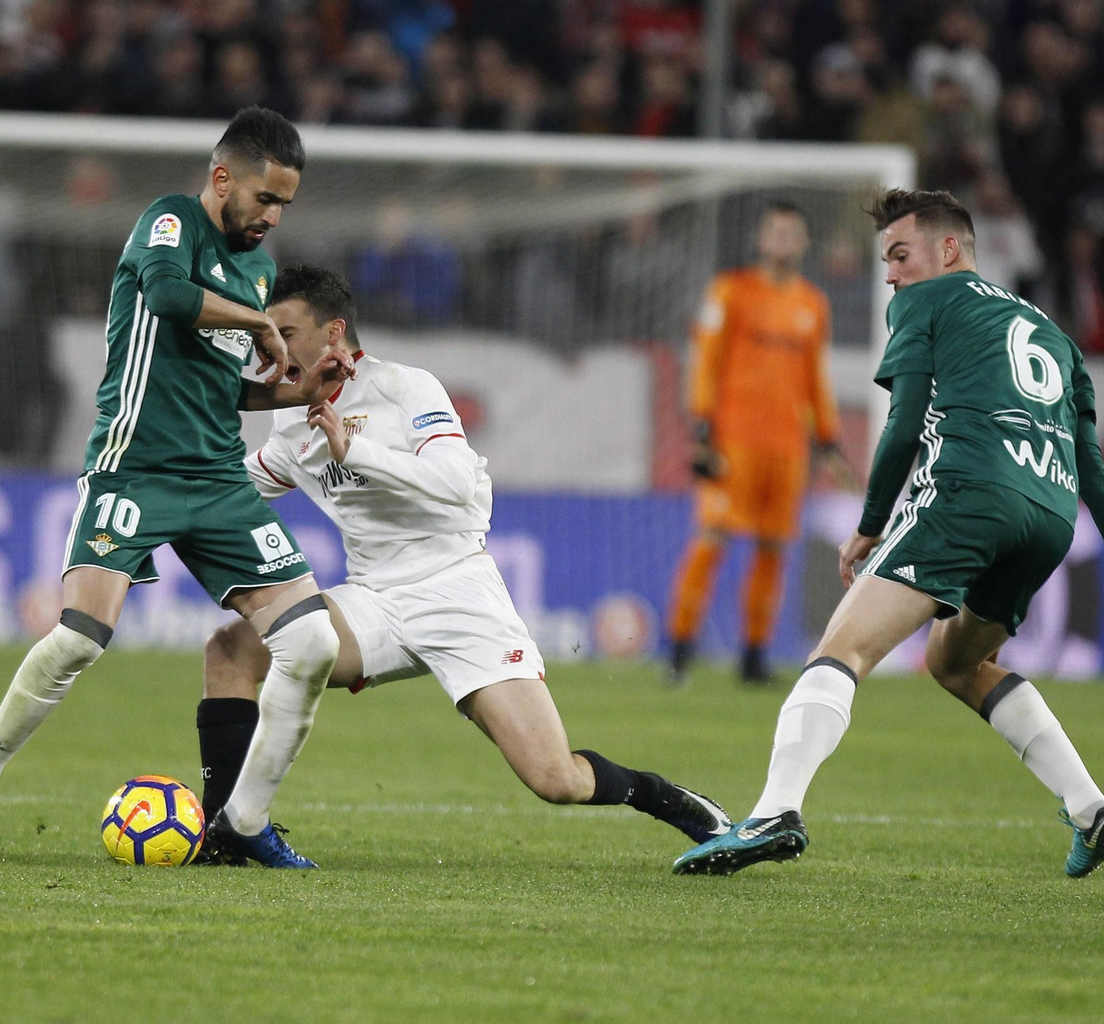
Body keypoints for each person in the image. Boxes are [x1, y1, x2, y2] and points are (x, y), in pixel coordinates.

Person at [673, 189, 1104, 878]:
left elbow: (903, 418)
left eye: (900, 255)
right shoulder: (1056, 338)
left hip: (967, 497)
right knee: (956, 663)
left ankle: (775, 811)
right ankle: (1093, 810)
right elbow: (1093, 472)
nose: (890, 274)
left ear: (948, 250)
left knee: (842, 650)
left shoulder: (926, 301)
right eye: (885, 260)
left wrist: (869, 525)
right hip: (1048, 515)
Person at [0, 107, 356, 870]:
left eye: (286, 203)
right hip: (134, 470)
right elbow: (167, 295)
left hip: (217, 480)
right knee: (82, 636)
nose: (273, 216)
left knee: (312, 640)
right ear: (223, 179)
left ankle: (245, 821)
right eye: (264, 198)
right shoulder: (171, 222)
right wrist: (259, 324)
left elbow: (224, 391)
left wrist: (296, 393)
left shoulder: (254, 270)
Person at [193, 264, 734, 864]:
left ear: (333, 332)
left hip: (459, 593)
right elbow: (241, 485)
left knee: (556, 779)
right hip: (374, 599)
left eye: (286, 332)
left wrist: (359, 451)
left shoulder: (405, 388)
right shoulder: (291, 418)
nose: (273, 347)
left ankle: (669, 798)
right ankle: (226, 834)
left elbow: (457, 483)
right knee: (231, 651)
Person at [666, 201, 856, 686]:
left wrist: (828, 438)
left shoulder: (812, 304)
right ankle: (679, 652)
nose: (783, 241)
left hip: (787, 447)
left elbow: (816, 377)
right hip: (732, 443)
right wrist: (702, 427)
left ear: (804, 242)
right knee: (711, 541)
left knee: (772, 550)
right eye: (776, 231)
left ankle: (752, 657)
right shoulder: (730, 292)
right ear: (761, 238)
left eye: (792, 233)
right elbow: (706, 361)